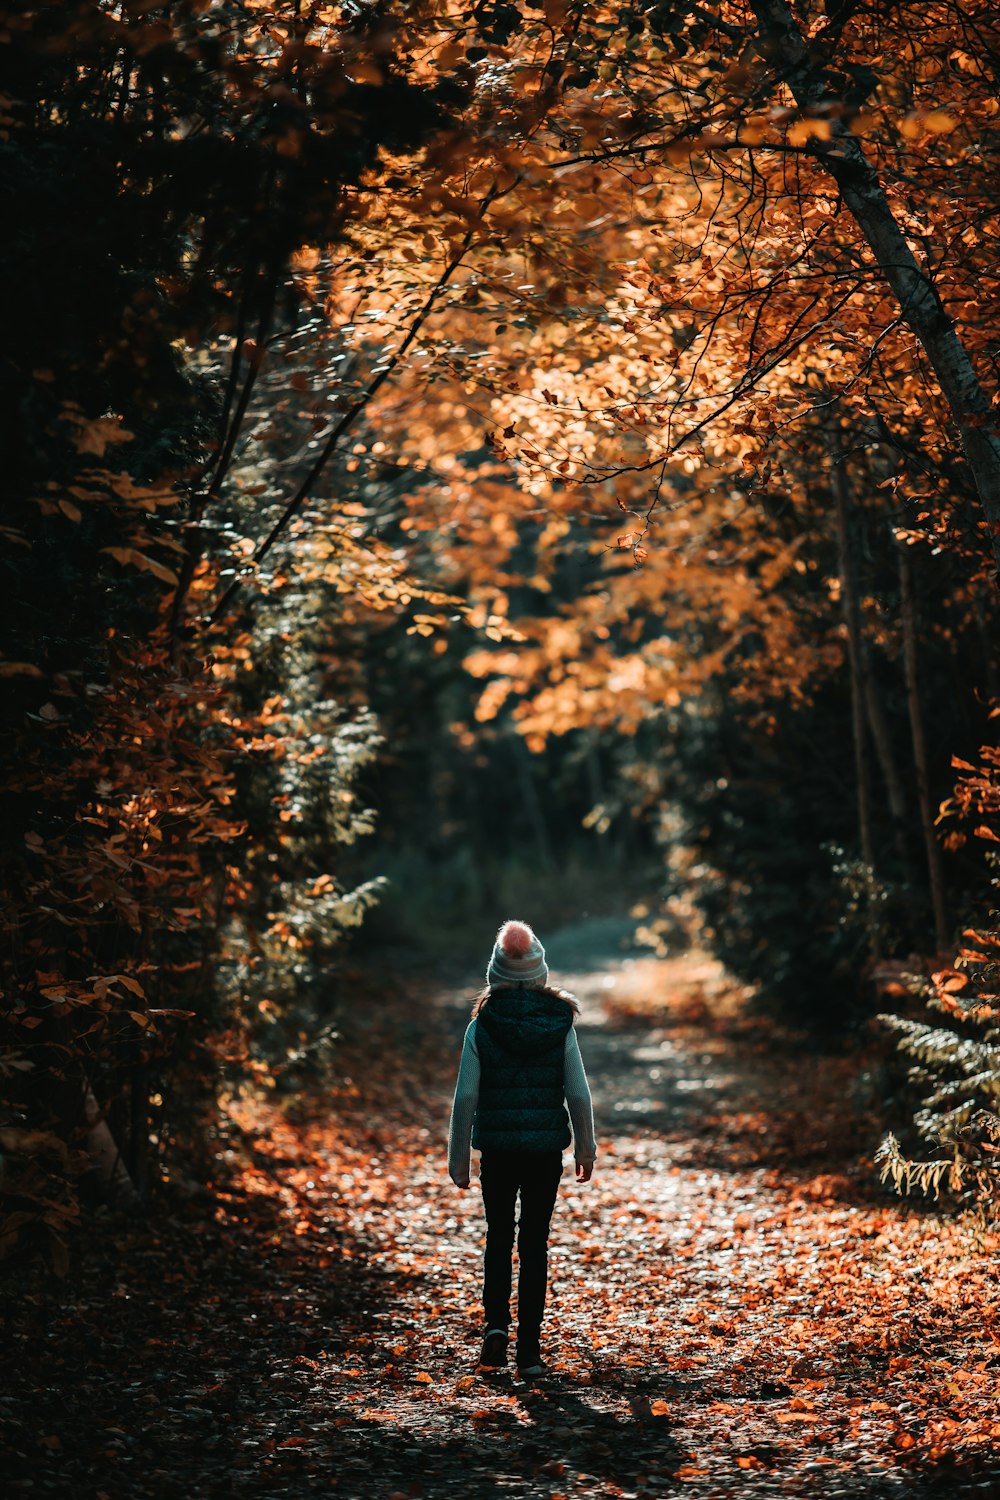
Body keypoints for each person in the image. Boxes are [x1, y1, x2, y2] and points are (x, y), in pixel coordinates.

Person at [448, 919, 597, 1378]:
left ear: (496, 974)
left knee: (498, 1236)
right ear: (540, 973)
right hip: (544, 1153)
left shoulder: (482, 1025)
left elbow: (467, 1096)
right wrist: (586, 1148)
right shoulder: (559, 1024)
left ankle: (495, 1327)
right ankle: (529, 1350)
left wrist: (458, 1157)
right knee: (534, 1243)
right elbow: (578, 1091)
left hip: (497, 1151)